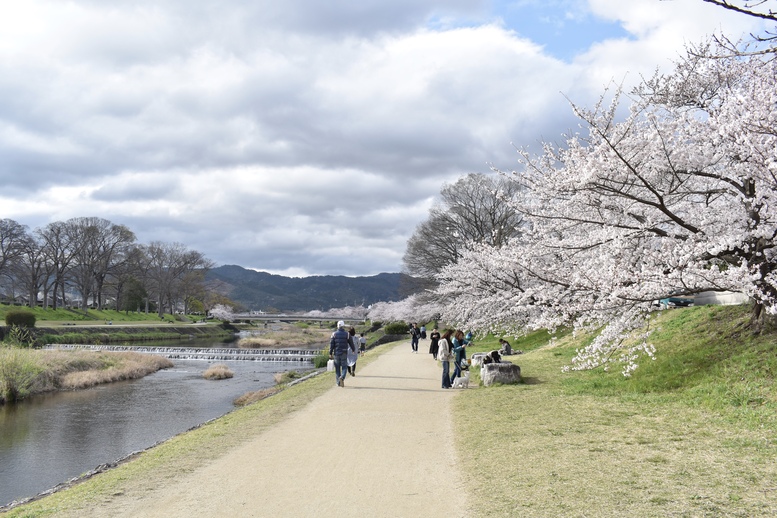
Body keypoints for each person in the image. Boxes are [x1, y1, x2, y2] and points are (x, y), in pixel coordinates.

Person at [329, 321, 355, 387]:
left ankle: (338, 382)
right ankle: (342, 377)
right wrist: (353, 350)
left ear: (337, 326)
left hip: (336, 353)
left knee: (337, 368)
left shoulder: (334, 334)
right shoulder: (347, 334)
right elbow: (351, 343)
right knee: (344, 367)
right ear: (343, 326)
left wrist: (330, 353)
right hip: (344, 352)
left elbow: (331, 344)